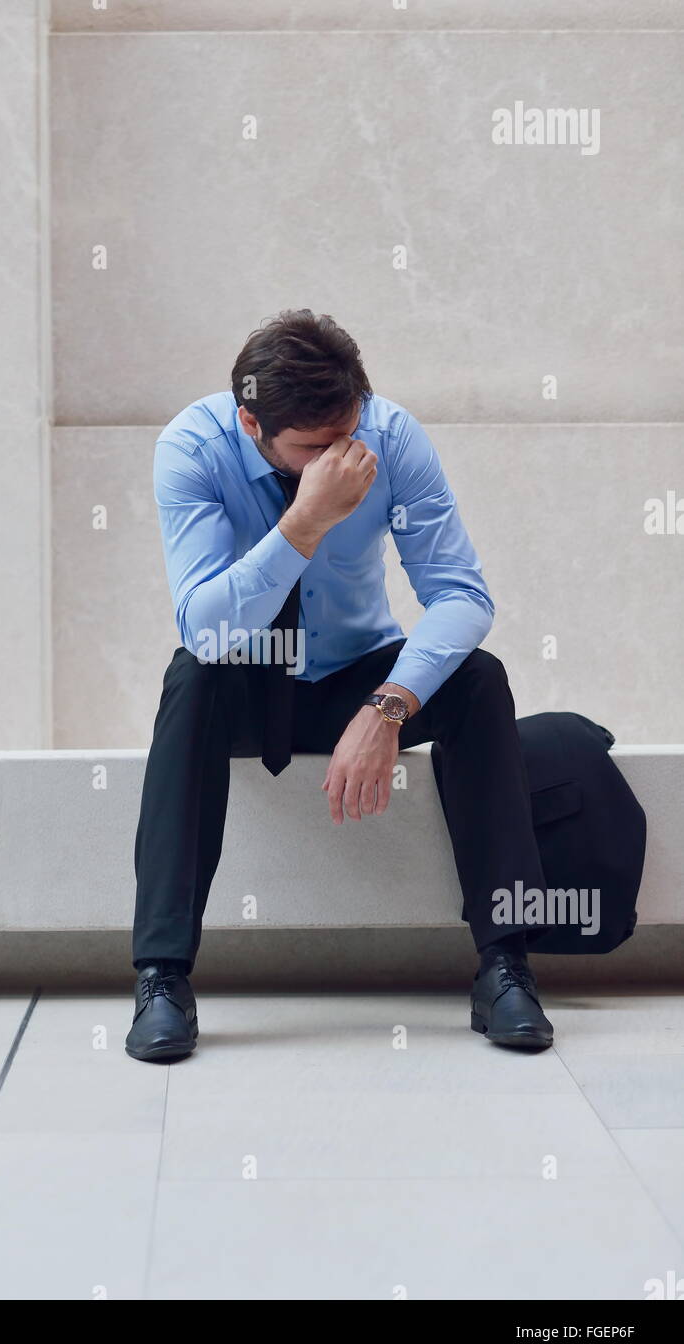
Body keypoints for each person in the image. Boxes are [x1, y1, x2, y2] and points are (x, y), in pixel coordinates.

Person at [126, 309, 552, 1062]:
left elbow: (460, 595)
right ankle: (162, 978)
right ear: (251, 421)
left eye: (347, 435)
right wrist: (304, 523)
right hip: (246, 673)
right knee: (191, 680)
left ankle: (505, 964)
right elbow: (205, 628)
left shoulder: (390, 437)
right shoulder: (191, 447)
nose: (340, 459)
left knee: (479, 680)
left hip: (356, 673)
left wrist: (388, 706)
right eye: (315, 449)